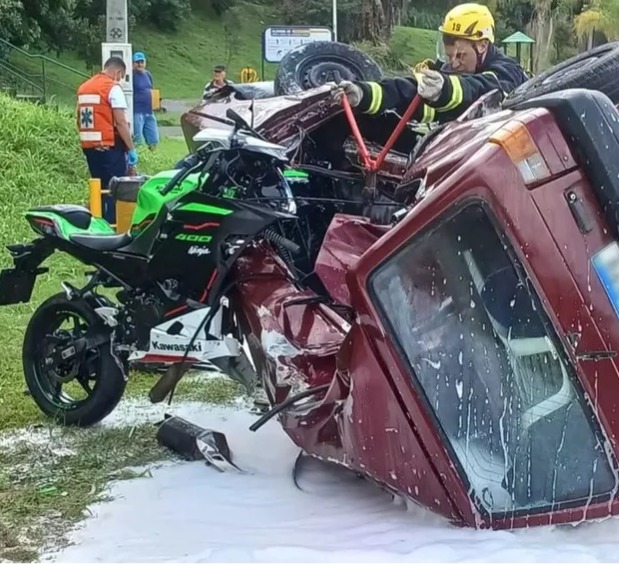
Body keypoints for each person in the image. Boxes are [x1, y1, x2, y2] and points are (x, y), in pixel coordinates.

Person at [335, 3, 528, 124]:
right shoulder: (451, 71)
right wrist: (364, 94)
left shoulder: (508, 71)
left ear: (483, 45)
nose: (453, 64)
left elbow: (483, 89)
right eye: (449, 56)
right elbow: (409, 90)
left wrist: (444, 89)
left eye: (460, 56)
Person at [77, 56, 137, 221]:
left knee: (98, 189)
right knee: (114, 190)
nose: (120, 81)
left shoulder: (84, 87)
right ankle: (113, 230)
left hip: (89, 147)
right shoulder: (111, 88)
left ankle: (97, 223)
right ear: (117, 72)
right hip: (109, 148)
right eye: (121, 77)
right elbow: (121, 122)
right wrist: (131, 149)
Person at [132, 51, 159, 150]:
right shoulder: (131, 75)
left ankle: (153, 158)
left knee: (153, 139)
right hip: (137, 111)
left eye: (141, 62)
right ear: (133, 63)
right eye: (137, 62)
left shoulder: (148, 74)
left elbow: (151, 88)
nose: (140, 64)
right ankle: (138, 159)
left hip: (149, 111)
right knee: (137, 139)